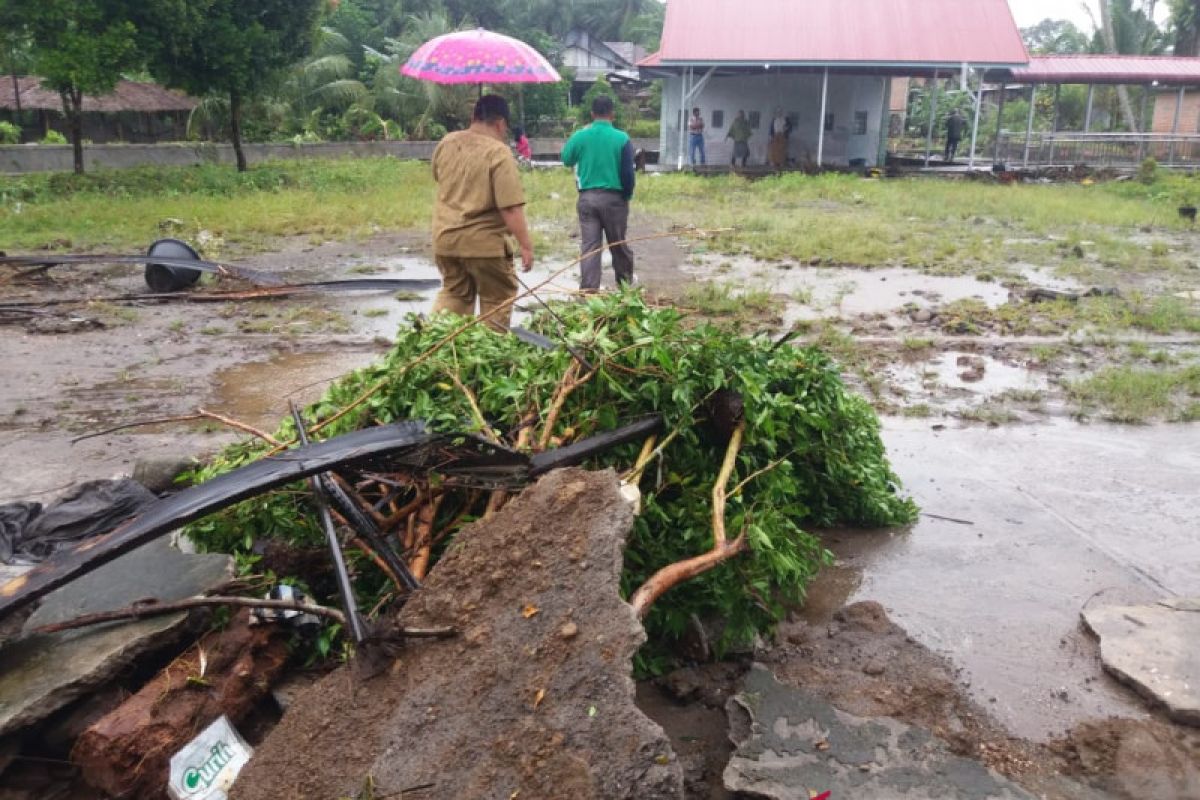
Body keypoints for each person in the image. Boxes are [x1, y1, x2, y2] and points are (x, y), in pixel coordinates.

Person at [430, 94, 533, 332]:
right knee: (498, 296)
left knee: (455, 293)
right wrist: (525, 246)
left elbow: (439, 177)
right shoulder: (498, 152)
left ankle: (435, 348)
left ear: (473, 117)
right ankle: (487, 355)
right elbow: (509, 206)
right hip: (484, 246)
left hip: (445, 240)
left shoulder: (447, 142)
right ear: (500, 124)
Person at [561, 95, 636, 290]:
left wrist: (580, 136)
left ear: (592, 114)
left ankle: (588, 292)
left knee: (590, 248)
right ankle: (625, 289)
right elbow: (628, 174)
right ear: (613, 114)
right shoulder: (622, 138)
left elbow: (567, 158)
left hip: (587, 199)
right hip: (615, 200)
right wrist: (626, 196)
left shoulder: (581, 136)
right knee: (618, 245)